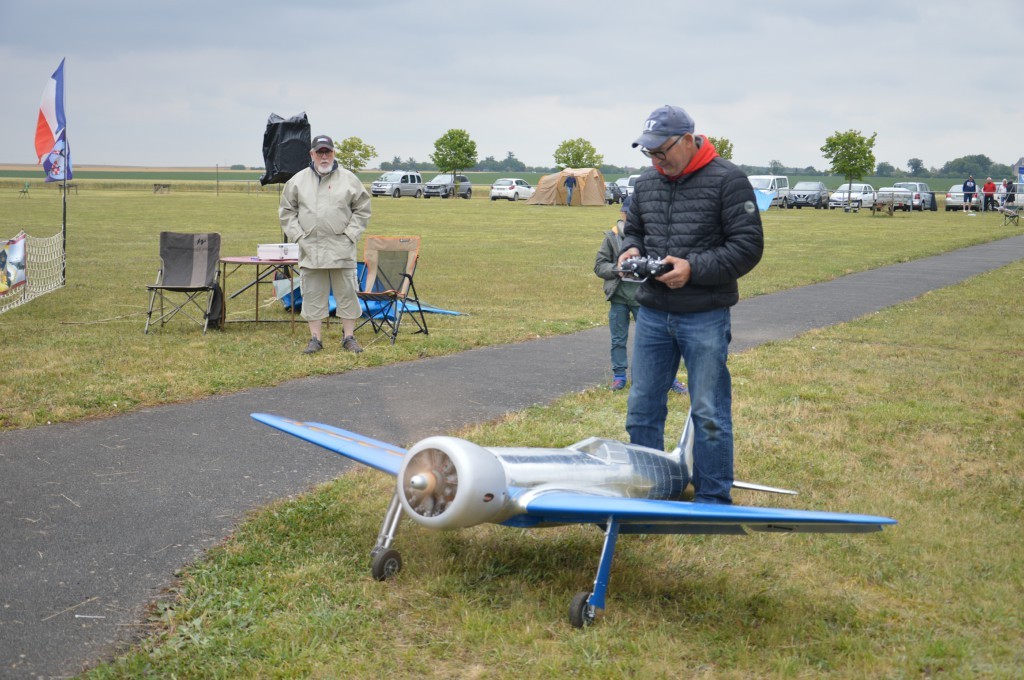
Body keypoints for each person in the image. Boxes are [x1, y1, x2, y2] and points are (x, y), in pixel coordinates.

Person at [618, 104, 764, 505]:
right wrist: (631, 251)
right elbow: (635, 230)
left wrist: (692, 268)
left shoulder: (728, 180)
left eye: (661, 150)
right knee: (642, 409)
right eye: (648, 152)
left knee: (709, 412)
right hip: (652, 313)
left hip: (704, 314)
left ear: (687, 140)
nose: (655, 159)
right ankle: (651, 491)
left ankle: (714, 498)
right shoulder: (647, 182)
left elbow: (748, 247)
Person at [280, 134, 371, 354]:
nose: (323, 156)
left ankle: (349, 337)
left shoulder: (349, 179)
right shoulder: (297, 181)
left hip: (341, 248)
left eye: (327, 152)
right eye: (319, 152)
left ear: (333, 153)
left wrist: (350, 235)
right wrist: (300, 237)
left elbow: (363, 209)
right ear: (311, 154)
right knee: (312, 295)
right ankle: (315, 339)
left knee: (347, 294)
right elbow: (286, 212)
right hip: (311, 249)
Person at [595, 216, 687, 394]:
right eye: (627, 214)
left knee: (659, 341)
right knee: (618, 340)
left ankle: (669, 379)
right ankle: (619, 377)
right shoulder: (611, 237)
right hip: (619, 298)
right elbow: (599, 266)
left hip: (644, 299)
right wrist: (617, 269)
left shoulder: (650, 237)